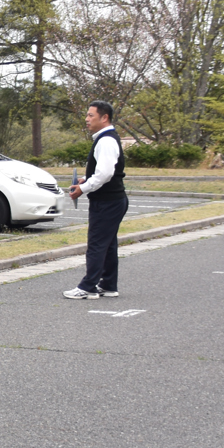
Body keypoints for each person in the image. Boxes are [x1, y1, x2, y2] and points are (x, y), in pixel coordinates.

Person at [66, 100, 129, 299]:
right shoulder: (105, 138)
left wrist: (83, 189)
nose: (87, 119)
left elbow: (105, 174)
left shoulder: (106, 141)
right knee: (108, 244)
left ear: (104, 118)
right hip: (112, 200)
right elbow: (103, 171)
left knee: (97, 244)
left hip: (108, 201)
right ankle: (108, 285)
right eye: (87, 115)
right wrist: (86, 179)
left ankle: (88, 287)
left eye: (91, 115)